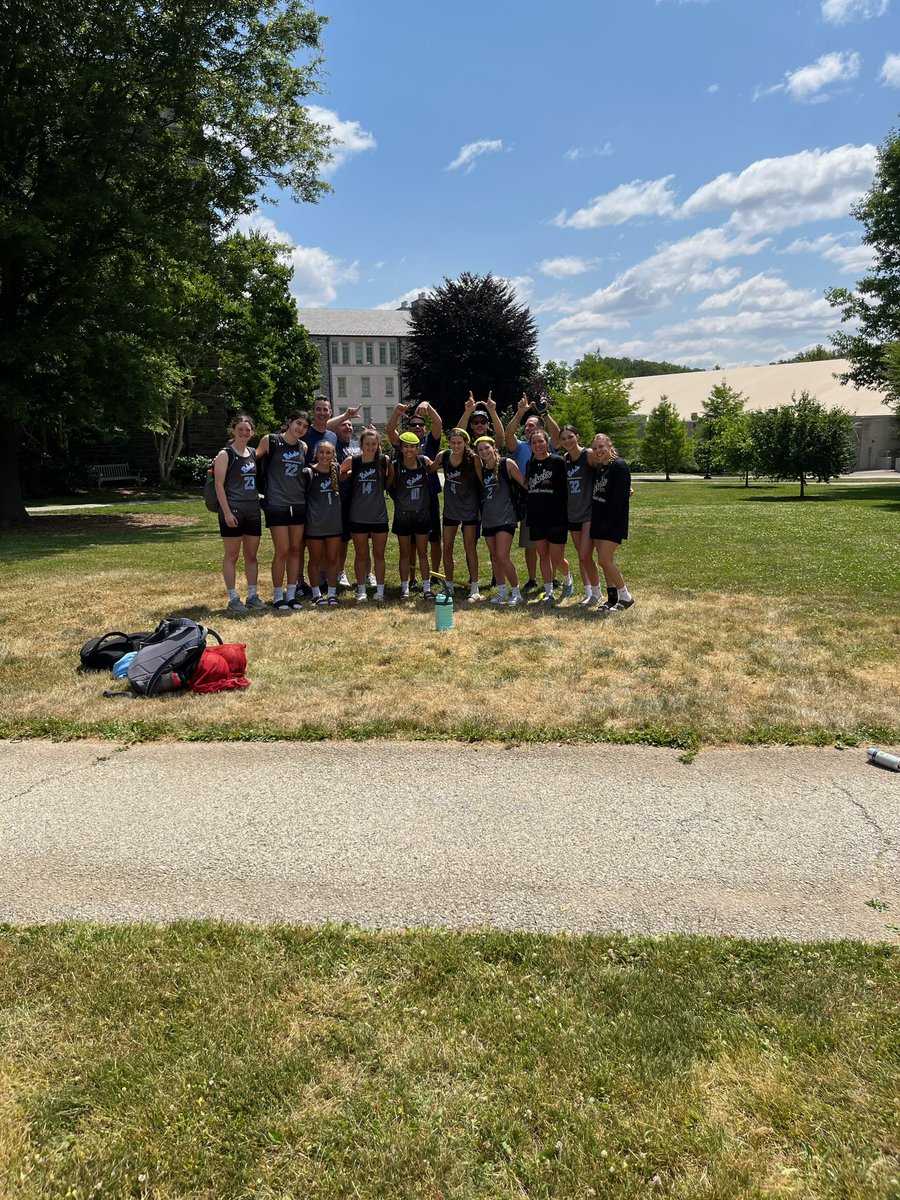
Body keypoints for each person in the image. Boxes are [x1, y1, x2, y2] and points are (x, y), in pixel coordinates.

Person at [504, 394, 566, 593]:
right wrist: (520, 412)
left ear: (541, 430)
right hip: (529, 501)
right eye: (527, 426)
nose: (528, 428)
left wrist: (544, 413)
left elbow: (557, 435)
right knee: (532, 544)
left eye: (532, 425)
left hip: (551, 503)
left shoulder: (548, 446)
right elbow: (508, 435)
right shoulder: (522, 447)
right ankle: (532, 579)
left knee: (551, 547)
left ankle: (554, 579)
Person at [255, 411, 308, 613]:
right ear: (289, 421)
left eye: (304, 426)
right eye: (298, 423)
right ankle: (278, 596)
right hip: (277, 502)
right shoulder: (271, 440)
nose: (300, 428)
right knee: (282, 550)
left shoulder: (303, 446)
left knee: (296, 549)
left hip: (298, 503)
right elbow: (251, 459)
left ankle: (291, 594)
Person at [213, 414, 264, 616]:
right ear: (233, 430)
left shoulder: (252, 452)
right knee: (232, 555)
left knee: (252, 555)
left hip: (252, 508)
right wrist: (226, 512)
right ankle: (233, 597)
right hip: (233, 508)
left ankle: (253, 595)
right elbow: (218, 485)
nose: (244, 433)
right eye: (240, 429)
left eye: (248, 430)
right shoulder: (226, 454)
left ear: (252, 432)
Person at [387, 400, 443, 579]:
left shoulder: (430, 442)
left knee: (434, 539)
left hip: (429, 496)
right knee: (409, 543)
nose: (417, 427)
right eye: (413, 425)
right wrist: (396, 413)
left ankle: (433, 575)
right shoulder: (404, 444)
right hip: (406, 500)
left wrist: (428, 405)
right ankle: (411, 579)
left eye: (420, 425)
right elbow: (390, 432)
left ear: (424, 429)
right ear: (408, 428)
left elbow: (438, 423)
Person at [341, 427, 392, 603]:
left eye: (374, 444)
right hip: (358, 516)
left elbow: (389, 481)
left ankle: (380, 590)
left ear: (378, 445)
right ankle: (361, 590)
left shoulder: (384, 461)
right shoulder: (353, 461)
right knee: (360, 554)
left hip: (378, 516)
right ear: (361, 444)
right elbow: (338, 475)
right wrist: (347, 475)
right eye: (367, 444)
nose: (370, 447)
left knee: (379, 554)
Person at [430, 428, 483, 599]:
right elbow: (429, 468)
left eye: (459, 442)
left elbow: (483, 481)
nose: (456, 446)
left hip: (469, 509)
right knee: (447, 547)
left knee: (470, 547)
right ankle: (450, 584)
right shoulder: (444, 456)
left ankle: (474, 586)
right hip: (450, 510)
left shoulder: (473, 459)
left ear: (465, 443)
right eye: (453, 442)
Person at [475, 436, 524, 606]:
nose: (484, 452)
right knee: (495, 557)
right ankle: (502, 591)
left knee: (503, 557)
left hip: (506, 518)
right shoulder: (483, 469)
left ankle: (516, 591)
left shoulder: (506, 463)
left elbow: (524, 484)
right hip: (488, 519)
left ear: (493, 447)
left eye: (486, 448)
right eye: (480, 450)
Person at [588, 433, 634, 615]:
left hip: (612, 522)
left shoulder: (619, 466)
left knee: (604, 560)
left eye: (601, 447)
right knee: (605, 563)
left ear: (609, 445)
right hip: (598, 520)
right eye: (595, 448)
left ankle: (626, 596)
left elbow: (618, 501)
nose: (598, 451)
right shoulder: (601, 467)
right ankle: (612, 598)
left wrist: (608, 523)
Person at [524, 428, 570, 604]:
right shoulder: (530, 464)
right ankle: (549, 590)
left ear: (547, 442)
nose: (537, 445)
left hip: (557, 516)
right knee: (543, 555)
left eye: (540, 441)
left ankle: (567, 581)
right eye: (534, 442)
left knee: (557, 558)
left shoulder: (558, 461)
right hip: (536, 516)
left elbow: (568, 485)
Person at [559, 424, 602, 607]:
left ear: (578, 437)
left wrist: (624, 487)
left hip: (589, 513)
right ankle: (588, 593)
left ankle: (597, 593)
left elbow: (608, 468)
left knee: (585, 555)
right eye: (564, 438)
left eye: (570, 437)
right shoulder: (565, 460)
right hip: (573, 514)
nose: (567, 441)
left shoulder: (589, 454)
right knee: (581, 556)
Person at [392, 431, 434, 600]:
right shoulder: (395, 465)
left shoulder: (424, 462)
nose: (409, 450)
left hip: (422, 512)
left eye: (412, 447)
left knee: (423, 552)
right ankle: (404, 588)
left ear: (418, 448)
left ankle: (426, 588)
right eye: (406, 446)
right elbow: (388, 484)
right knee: (404, 552)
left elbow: (438, 464)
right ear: (401, 448)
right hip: (403, 513)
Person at [302, 439, 344, 606]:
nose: (325, 455)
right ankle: (316, 593)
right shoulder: (308, 472)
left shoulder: (337, 469)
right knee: (315, 559)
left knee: (333, 559)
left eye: (328, 452)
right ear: (316, 454)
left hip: (334, 523)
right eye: (322, 452)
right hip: (315, 524)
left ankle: (332, 593)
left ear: (334, 455)